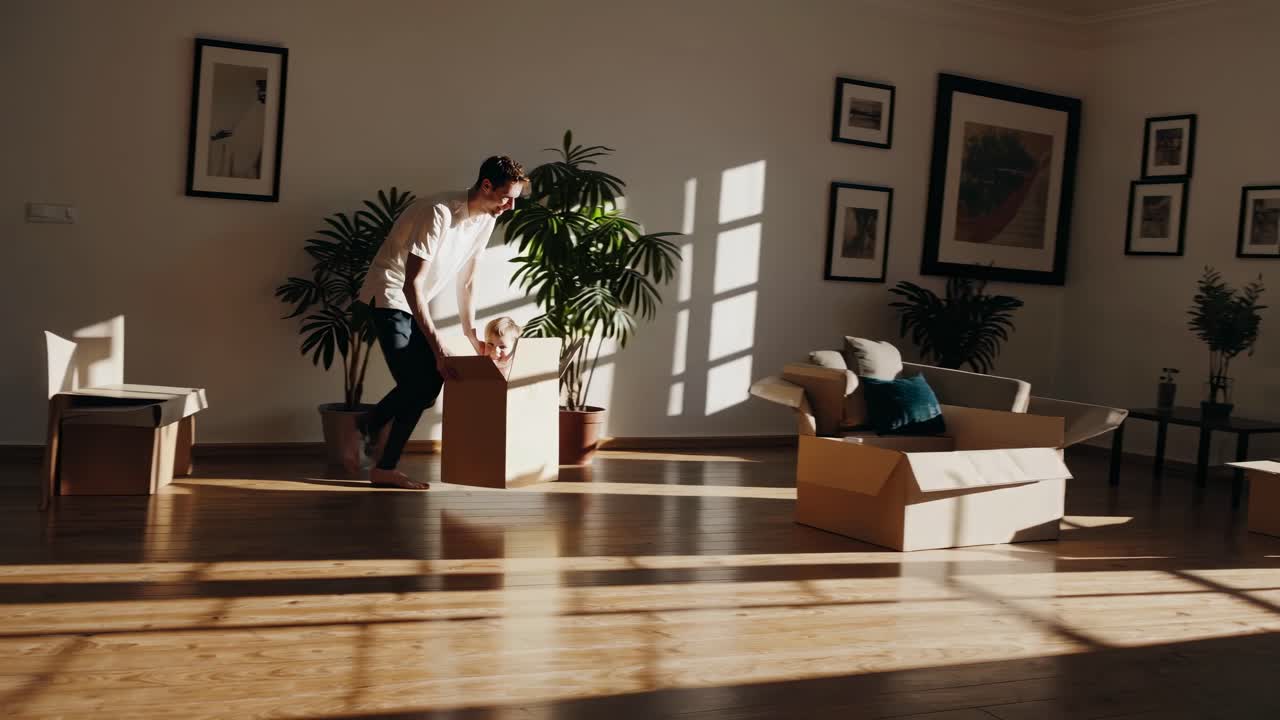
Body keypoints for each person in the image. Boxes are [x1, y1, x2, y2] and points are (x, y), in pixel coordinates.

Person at [355, 156, 528, 489]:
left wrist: (471, 334)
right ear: (486, 185)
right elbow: (412, 284)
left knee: (429, 384)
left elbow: (467, 282)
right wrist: (439, 348)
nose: (509, 206)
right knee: (418, 382)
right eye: (506, 197)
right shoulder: (439, 212)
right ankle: (376, 446)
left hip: (410, 300)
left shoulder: (486, 220)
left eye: (515, 200)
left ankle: (372, 434)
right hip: (389, 294)